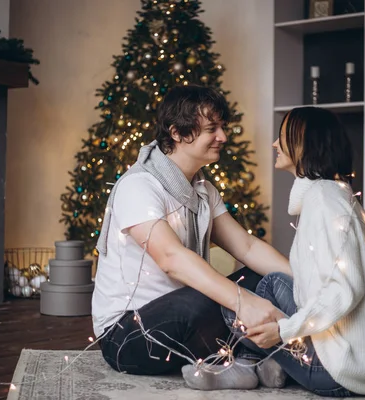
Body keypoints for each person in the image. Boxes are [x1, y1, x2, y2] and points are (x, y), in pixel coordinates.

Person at [182, 106, 365, 397]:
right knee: (271, 283)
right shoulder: (339, 194)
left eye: (282, 137)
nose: (275, 144)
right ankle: (266, 365)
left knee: (235, 301)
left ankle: (250, 366)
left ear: (303, 142)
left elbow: (345, 291)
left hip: (343, 375)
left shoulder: (323, 202)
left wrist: (284, 331)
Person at [92, 85, 292, 376]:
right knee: (209, 299)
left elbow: (246, 247)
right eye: (212, 129)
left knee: (268, 280)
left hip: (186, 316)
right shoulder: (139, 185)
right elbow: (171, 258)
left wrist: (306, 280)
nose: (223, 137)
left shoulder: (202, 190)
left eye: (222, 127)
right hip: (128, 335)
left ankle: (240, 364)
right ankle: (249, 357)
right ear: (177, 133)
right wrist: (242, 301)